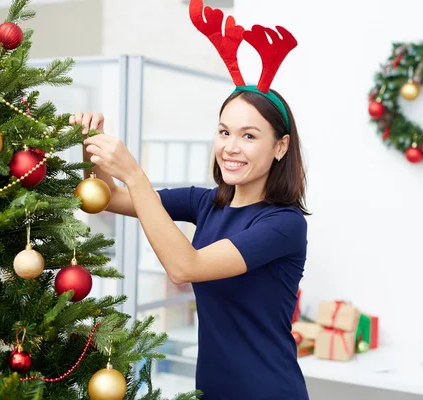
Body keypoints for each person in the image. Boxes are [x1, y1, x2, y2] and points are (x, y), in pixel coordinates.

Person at [70, 1, 309, 398]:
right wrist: (89, 149)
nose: (231, 147)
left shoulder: (283, 224)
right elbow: (106, 198)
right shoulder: (206, 203)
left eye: (249, 136)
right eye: (224, 132)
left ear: (280, 146)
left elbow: (185, 267)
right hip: (210, 389)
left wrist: (133, 171)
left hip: (268, 390)